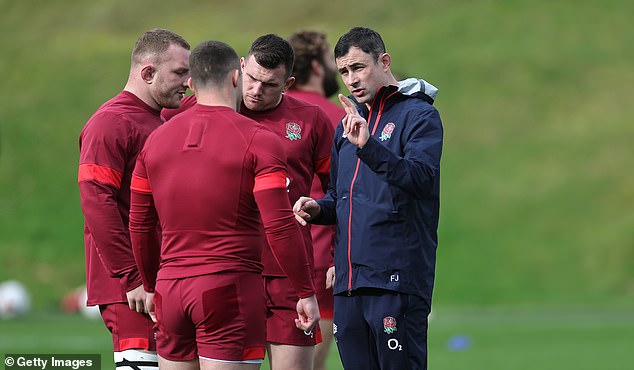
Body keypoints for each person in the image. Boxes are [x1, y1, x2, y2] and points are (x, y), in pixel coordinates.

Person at [128, 40, 319, 370]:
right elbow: (278, 224)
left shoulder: (156, 140)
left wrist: (148, 284)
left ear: (191, 82)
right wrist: (305, 291)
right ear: (236, 76)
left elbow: (140, 224)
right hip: (228, 286)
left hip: (170, 289)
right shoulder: (259, 139)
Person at [293, 27, 443, 370]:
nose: (351, 79)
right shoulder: (348, 125)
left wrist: (368, 147)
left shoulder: (420, 116)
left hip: (395, 280)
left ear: (384, 61)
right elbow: (341, 196)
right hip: (349, 283)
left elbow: (420, 179)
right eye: (344, 71)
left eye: (358, 67)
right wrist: (319, 208)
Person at [78, 28, 190, 370]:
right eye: (180, 73)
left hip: (160, 280)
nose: (188, 82)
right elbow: (97, 202)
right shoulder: (111, 123)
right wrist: (133, 278)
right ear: (147, 73)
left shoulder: (157, 120)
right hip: (133, 291)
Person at [239, 34, 335, 370]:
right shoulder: (213, 111)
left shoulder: (311, 120)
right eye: (251, 79)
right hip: (232, 268)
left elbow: (339, 193)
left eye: (269, 85)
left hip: (289, 272)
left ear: (288, 83)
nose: (255, 90)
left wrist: (341, 253)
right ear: (241, 66)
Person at [286, 29, 344, 370]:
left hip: (263, 254)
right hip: (320, 255)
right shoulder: (338, 117)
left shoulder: (261, 112)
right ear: (319, 68)